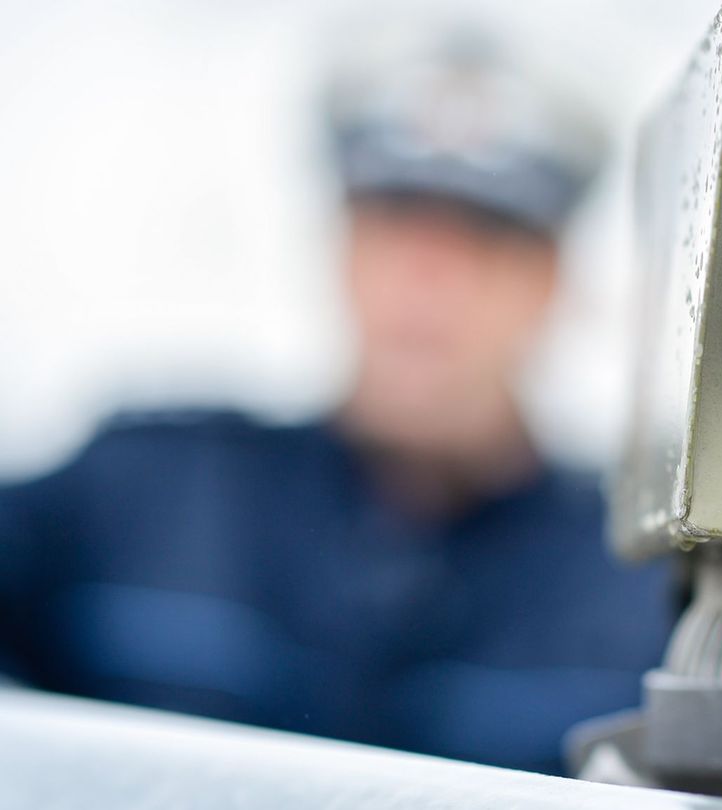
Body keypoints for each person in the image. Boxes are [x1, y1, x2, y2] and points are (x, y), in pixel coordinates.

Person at [0, 27, 674, 776]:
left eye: (485, 236)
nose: (430, 282)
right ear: (341, 249)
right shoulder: (136, 498)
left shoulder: (640, 591)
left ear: (551, 281)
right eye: (395, 223)